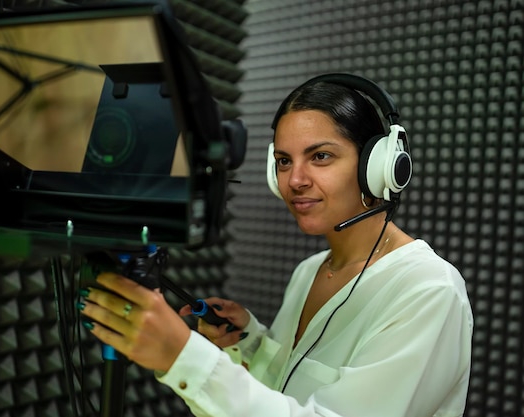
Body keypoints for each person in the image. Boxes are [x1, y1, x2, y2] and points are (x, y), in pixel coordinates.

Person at [77, 74, 474, 417]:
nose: (295, 180)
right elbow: (289, 390)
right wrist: (251, 342)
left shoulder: (427, 291)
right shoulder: (311, 270)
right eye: (284, 161)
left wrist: (182, 357)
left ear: (379, 165)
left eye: (320, 156)